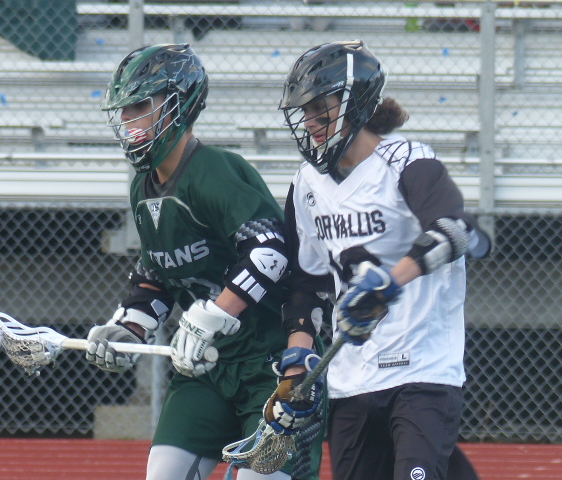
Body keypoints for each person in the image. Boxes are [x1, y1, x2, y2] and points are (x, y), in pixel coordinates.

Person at [85, 43, 321, 480]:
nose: (128, 119)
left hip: (270, 363)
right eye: (124, 109)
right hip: (207, 366)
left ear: (179, 105)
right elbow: (158, 274)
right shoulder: (142, 187)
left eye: (140, 105)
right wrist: (128, 328)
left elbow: (269, 251)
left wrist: (213, 315)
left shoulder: (215, 171)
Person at [263, 40, 489, 480]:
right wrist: (296, 362)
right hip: (352, 379)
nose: (309, 122)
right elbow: (307, 285)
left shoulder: (407, 161)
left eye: (320, 109)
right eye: (304, 112)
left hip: (421, 370)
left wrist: (389, 283)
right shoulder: (306, 184)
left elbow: (456, 231)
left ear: (354, 104)